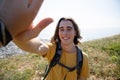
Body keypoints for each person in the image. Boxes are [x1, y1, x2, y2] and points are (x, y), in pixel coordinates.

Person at [13, 17, 90, 80]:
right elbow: (38, 47)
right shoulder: (53, 48)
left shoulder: (83, 58)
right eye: (61, 29)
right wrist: (15, 36)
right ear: (58, 32)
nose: (64, 33)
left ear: (75, 32)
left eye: (69, 29)